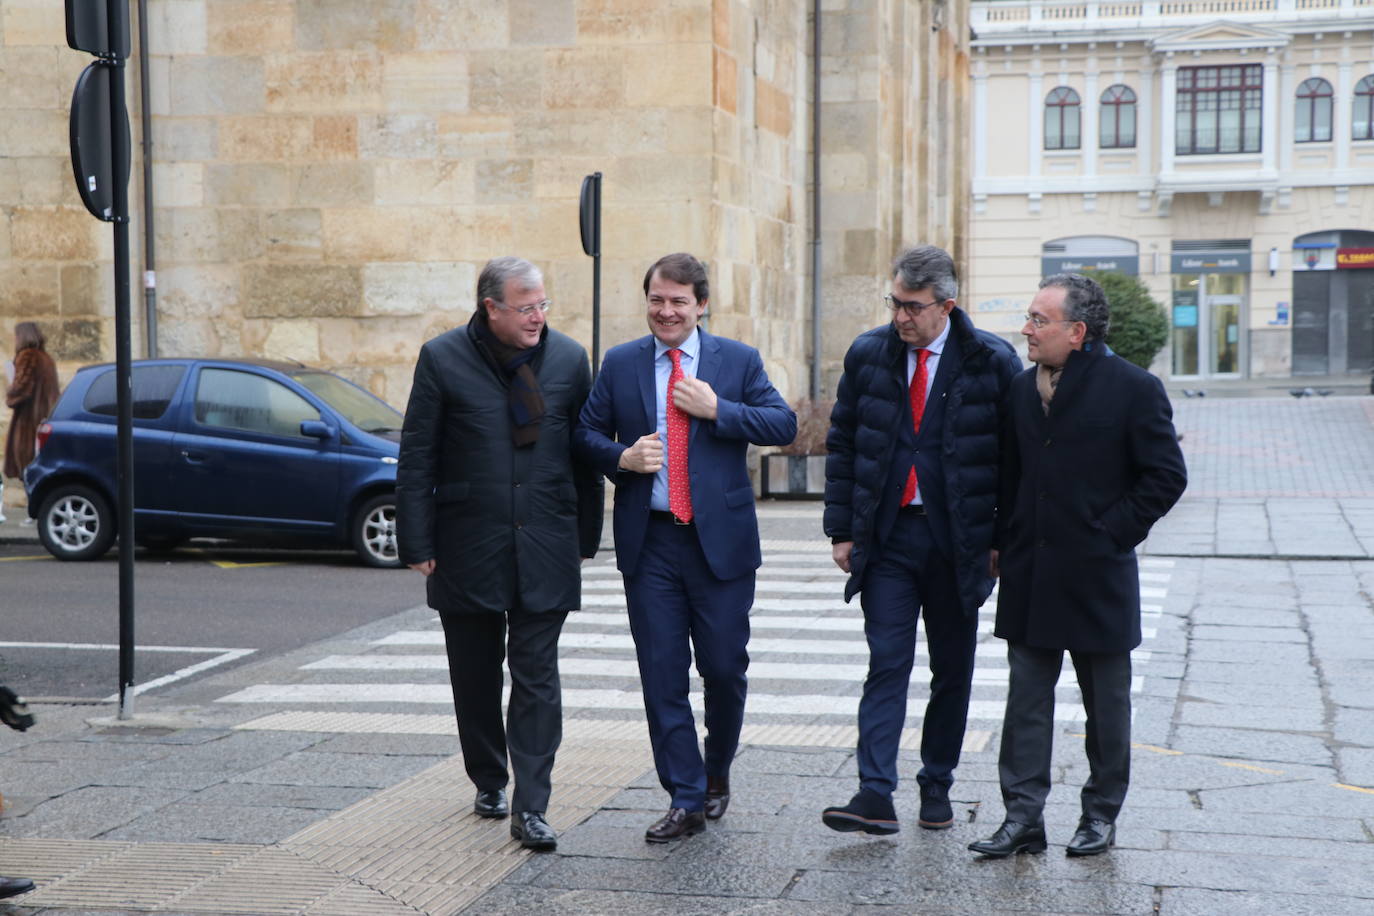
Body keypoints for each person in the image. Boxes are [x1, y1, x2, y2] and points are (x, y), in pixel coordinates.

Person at [575, 252, 796, 843]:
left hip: (717, 545)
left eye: (678, 301)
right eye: (656, 299)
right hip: (650, 546)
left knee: (723, 669)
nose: (666, 311)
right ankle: (686, 795)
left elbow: (783, 424)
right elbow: (584, 433)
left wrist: (718, 409)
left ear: (701, 305)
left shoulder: (737, 361)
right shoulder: (621, 364)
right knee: (661, 675)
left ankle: (717, 769)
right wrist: (619, 458)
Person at [969, 273, 1186, 859]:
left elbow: (1166, 476)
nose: (1026, 329)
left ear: (1078, 331)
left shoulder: (1133, 388)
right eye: (1030, 317)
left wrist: (1111, 532)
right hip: (1031, 573)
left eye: (1040, 320)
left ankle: (1099, 815)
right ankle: (1023, 818)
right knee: (1026, 705)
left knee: (1106, 709)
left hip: (1097, 574)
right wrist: (999, 541)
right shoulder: (1020, 389)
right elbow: (1008, 475)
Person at [396, 256, 603, 852]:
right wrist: (418, 541)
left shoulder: (567, 358)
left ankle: (531, 805)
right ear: (491, 308)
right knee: (475, 671)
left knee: (537, 674)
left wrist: (585, 535)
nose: (538, 317)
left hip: (545, 538)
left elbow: (580, 451)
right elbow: (418, 455)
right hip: (467, 539)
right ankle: (489, 776)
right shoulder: (443, 358)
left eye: (543, 305)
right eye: (525, 307)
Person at [821, 244, 1021, 836]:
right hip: (887, 539)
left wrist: (1000, 540)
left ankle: (936, 783)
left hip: (960, 542)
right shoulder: (870, 354)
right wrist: (841, 529)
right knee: (887, 661)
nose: (901, 317)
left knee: (952, 669)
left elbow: (1014, 460)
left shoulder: (991, 361)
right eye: (896, 303)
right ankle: (874, 793)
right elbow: (843, 441)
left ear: (947, 305)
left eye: (913, 307)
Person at [4, 322, 61, 497]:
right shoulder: (46, 358)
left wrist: (10, 390)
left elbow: (22, 388)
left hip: (29, 421)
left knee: (28, 466)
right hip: (45, 418)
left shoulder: (28, 356)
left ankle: (33, 508)